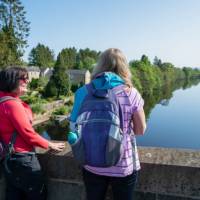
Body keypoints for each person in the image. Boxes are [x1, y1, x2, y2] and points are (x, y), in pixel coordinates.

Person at [70, 48, 146, 200]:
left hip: (91, 162)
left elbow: (73, 127)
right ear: (124, 67)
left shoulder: (83, 92)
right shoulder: (131, 93)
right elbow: (140, 130)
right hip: (123, 165)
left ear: (99, 65)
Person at [0, 67, 65, 200]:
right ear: (12, 81)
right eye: (24, 78)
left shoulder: (2, 101)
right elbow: (28, 133)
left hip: (8, 159)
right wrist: (49, 144)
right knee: (38, 194)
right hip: (23, 160)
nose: (28, 81)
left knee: (13, 194)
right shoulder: (12, 104)